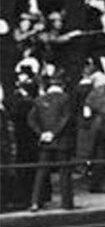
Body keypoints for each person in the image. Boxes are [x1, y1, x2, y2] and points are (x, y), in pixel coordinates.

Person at [28, 67, 75, 211]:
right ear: (62, 85)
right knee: (64, 171)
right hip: (61, 140)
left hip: (44, 141)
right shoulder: (65, 99)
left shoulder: (39, 100)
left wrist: (42, 133)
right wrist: (54, 133)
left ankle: (35, 202)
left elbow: (31, 119)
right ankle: (66, 203)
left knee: (41, 172)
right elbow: (65, 118)